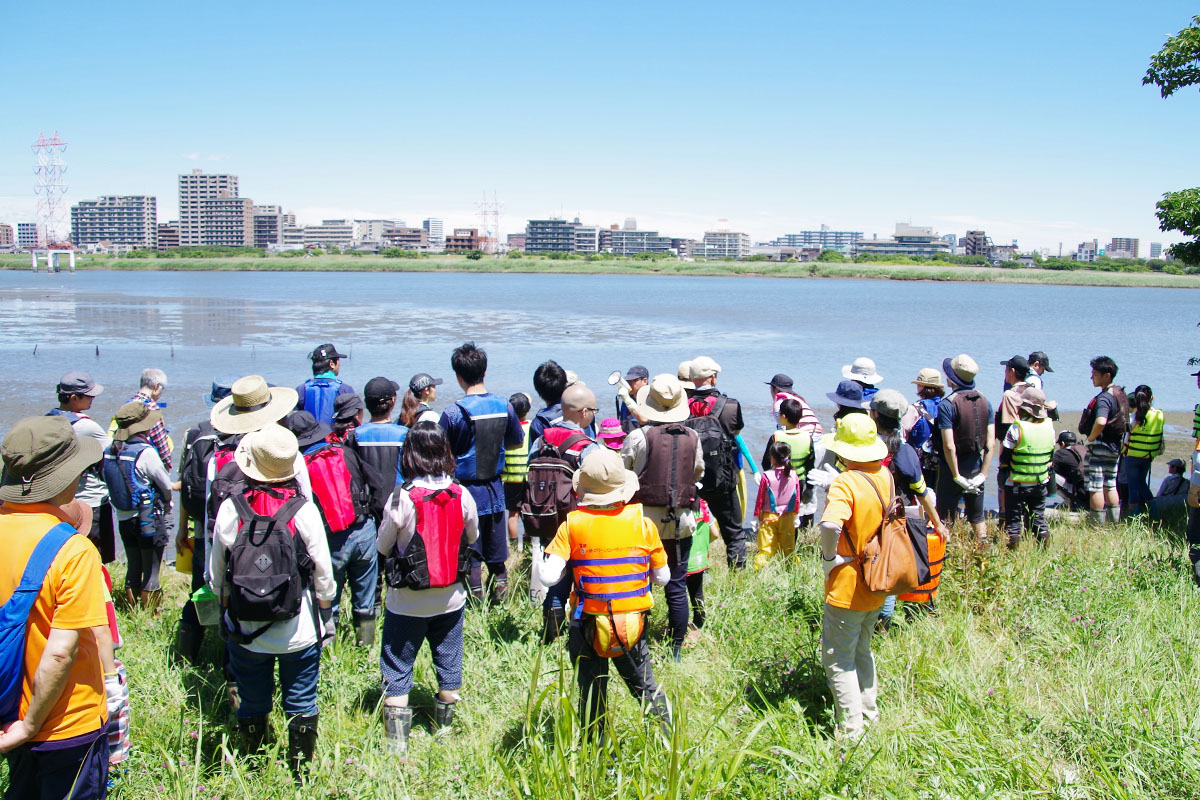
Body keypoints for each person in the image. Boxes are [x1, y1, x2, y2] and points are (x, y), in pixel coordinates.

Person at [208, 425, 336, 778]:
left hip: (247, 629)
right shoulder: (303, 510)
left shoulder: (230, 510)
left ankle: (254, 764)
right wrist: (326, 616)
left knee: (252, 699)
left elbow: (217, 576)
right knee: (301, 700)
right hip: (299, 629)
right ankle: (300, 771)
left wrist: (225, 614)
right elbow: (324, 574)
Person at [0, 416, 110, 799]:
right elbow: (61, 652)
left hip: (8, 709)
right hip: (65, 722)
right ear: (66, 477)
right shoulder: (74, 550)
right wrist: (31, 725)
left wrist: (19, 725)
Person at [536, 448, 672, 740]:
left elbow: (548, 576)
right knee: (645, 685)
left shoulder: (572, 525)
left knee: (591, 689)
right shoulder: (644, 524)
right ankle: (668, 738)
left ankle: (596, 749)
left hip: (587, 620)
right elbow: (663, 577)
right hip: (632, 624)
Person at [376, 423, 478, 759]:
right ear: (445, 452)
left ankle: (397, 747)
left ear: (410, 454)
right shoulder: (462, 494)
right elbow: (472, 536)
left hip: (406, 601)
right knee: (449, 663)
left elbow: (383, 544)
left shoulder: (401, 497)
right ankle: (444, 732)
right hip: (451, 598)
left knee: (397, 666)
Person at [817, 414, 890, 741]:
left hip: (849, 583)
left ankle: (849, 732)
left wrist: (829, 558)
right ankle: (869, 715)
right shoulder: (884, 475)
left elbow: (831, 524)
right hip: (878, 580)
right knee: (862, 649)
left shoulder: (846, 481)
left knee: (837, 658)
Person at [621, 374, 703, 660]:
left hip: (643, 523)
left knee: (638, 583)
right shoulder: (694, 437)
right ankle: (676, 650)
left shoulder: (638, 437)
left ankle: (637, 643)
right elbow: (697, 472)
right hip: (681, 521)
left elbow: (624, 475)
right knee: (677, 585)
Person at [438, 342, 525, 603]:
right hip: (495, 491)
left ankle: (475, 607)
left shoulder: (452, 413)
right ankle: (500, 603)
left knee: (471, 555)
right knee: (497, 557)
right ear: (485, 372)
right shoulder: (505, 406)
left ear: (458, 376)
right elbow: (516, 441)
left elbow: (441, 452)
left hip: (463, 493)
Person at [286, 411, 377, 646]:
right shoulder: (345, 452)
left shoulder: (300, 469)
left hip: (329, 541)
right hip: (363, 532)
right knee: (364, 597)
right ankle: (365, 646)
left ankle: (330, 648)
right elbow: (375, 483)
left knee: (329, 597)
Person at [870, 389, 948, 623]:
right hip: (895, 523)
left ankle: (875, 619)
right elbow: (921, 492)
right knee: (889, 570)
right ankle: (882, 622)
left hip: (867, 519)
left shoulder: (865, 448)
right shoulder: (904, 452)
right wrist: (937, 523)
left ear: (873, 414)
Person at [530, 383, 601, 639]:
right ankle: (581, 633)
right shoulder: (586, 446)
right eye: (594, 409)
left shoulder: (541, 439)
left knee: (557, 581)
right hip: (577, 522)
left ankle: (551, 636)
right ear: (584, 412)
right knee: (582, 579)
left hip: (546, 518)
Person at [175, 375, 236, 665]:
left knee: (199, 590)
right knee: (236, 591)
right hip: (238, 527)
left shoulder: (194, 434)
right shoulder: (246, 435)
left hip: (202, 526)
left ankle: (187, 654)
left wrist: (181, 527)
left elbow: (185, 482)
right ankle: (230, 662)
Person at [102, 401, 173, 610]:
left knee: (133, 567)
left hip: (124, 518)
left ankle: (132, 611)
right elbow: (165, 485)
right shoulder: (146, 452)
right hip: (148, 519)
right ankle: (151, 615)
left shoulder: (109, 451)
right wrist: (168, 502)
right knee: (151, 570)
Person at [47, 370, 115, 563]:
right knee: (95, 559)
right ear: (74, 398)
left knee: (66, 558)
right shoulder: (87, 426)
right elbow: (110, 452)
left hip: (61, 503)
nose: (93, 399)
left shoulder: (50, 420)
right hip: (91, 503)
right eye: (89, 395)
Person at [686, 356, 747, 568]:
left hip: (691, 479)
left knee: (687, 529)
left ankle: (693, 570)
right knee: (734, 530)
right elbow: (735, 432)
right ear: (713, 378)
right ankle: (738, 576)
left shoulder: (681, 408)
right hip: (723, 477)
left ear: (691, 378)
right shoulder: (730, 405)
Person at [935, 354, 994, 542]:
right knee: (977, 517)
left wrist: (956, 475)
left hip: (951, 470)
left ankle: (945, 558)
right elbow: (991, 443)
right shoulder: (985, 400)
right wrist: (983, 475)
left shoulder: (947, 404)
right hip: (975, 467)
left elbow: (949, 445)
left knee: (945, 519)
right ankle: (983, 554)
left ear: (952, 379)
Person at [344, 377, 409, 527]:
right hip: (398, 506)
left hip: (367, 509)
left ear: (366, 404)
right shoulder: (405, 434)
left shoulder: (354, 436)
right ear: (393, 401)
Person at [1000, 388, 1055, 548]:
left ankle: (1012, 555)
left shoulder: (1017, 428)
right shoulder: (1049, 428)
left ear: (1023, 407)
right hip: (1039, 482)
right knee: (1039, 518)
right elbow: (1050, 455)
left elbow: (1005, 458)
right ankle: (1043, 551)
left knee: (1014, 522)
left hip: (1016, 483)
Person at [1080, 356, 1129, 525]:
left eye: (1094, 374)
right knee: (1110, 484)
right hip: (1115, 446)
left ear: (1106, 375)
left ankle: (1096, 525)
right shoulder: (1120, 393)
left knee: (1095, 486)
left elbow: (1101, 421)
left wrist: (1090, 439)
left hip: (1100, 445)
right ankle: (1114, 523)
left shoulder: (1104, 398)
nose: (1091, 377)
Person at [994, 356, 1033, 527]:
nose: (1004, 373)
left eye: (1006, 369)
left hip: (1014, 448)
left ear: (1012, 372)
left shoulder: (1010, 394)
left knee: (1009, 489)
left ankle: (1008, 526)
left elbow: (1008, 426)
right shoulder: (1033, 391)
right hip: (1032, 447)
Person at [766, 399, 817, 527]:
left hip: (778, 482)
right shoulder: (807, 437)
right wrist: (809, 489)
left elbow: (766, 463)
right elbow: (810, 465)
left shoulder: (776, 437)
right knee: (793, 515)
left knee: (776, 514)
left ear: (783, 416)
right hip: (798, 481)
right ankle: (792, 541)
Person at [754, 441, 799, 570]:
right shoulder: (794, 475)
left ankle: (763, 571)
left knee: (766, 548)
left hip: (768, 517)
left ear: (772, 457)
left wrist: (757, 515)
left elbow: (760, 498)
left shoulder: (766, 476)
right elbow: (797, 497)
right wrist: (796, 513)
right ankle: (791, 569)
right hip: (788, 515)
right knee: (788, 546)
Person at [1121, 384, 1164, 517]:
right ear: (1152, 397)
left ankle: (1135, 517)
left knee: (1134, 486)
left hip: (1132, 456)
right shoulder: (1159, 414)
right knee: (1141, 482)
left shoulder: (1133, 417)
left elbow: (1126, 438)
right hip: (1148, 455)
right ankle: (1153, 511)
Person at [901, 368, 945, 487]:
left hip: (917, 463)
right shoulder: (947, 407)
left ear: (921, 386)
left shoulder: (914, 409)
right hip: (941, 461)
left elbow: (901, 438)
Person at [295, 343, 356, 427]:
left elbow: (295, 420)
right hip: (334, 438)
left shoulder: (301, 390)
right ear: (332, 364)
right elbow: (352, 421)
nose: (339, 364)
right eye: (338, 360)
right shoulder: (345, 390)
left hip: (308, 439)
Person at [502, 393, 532, 551]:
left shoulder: (505, 428)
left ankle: (513, 547)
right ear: (528, 410)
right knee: (527, 512)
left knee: (513, 514)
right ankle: (527, 544)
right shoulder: (531, 427)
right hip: (527, 477)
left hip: (510, 477)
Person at [529, 360, 569, 442]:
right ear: (565, 384)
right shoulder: (582, 412)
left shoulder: (539, 423)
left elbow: (535, 453)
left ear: (538, 390)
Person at [1051, 431, 1089, 510]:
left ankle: (1068, 502)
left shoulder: (1061, 453)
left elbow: (1048, 465)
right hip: (1091, 490)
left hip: (1079, 493)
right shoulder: (1083, 448)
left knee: (1049, 473)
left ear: (1063, 443)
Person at [615, 365, 649, 433]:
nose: (629, 383)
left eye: (633, 380)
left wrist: (627, 400)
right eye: (628, 380)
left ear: (645, 381)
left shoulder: (650, 399)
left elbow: (644, 420)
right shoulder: (626, 398)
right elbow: (623, 420)